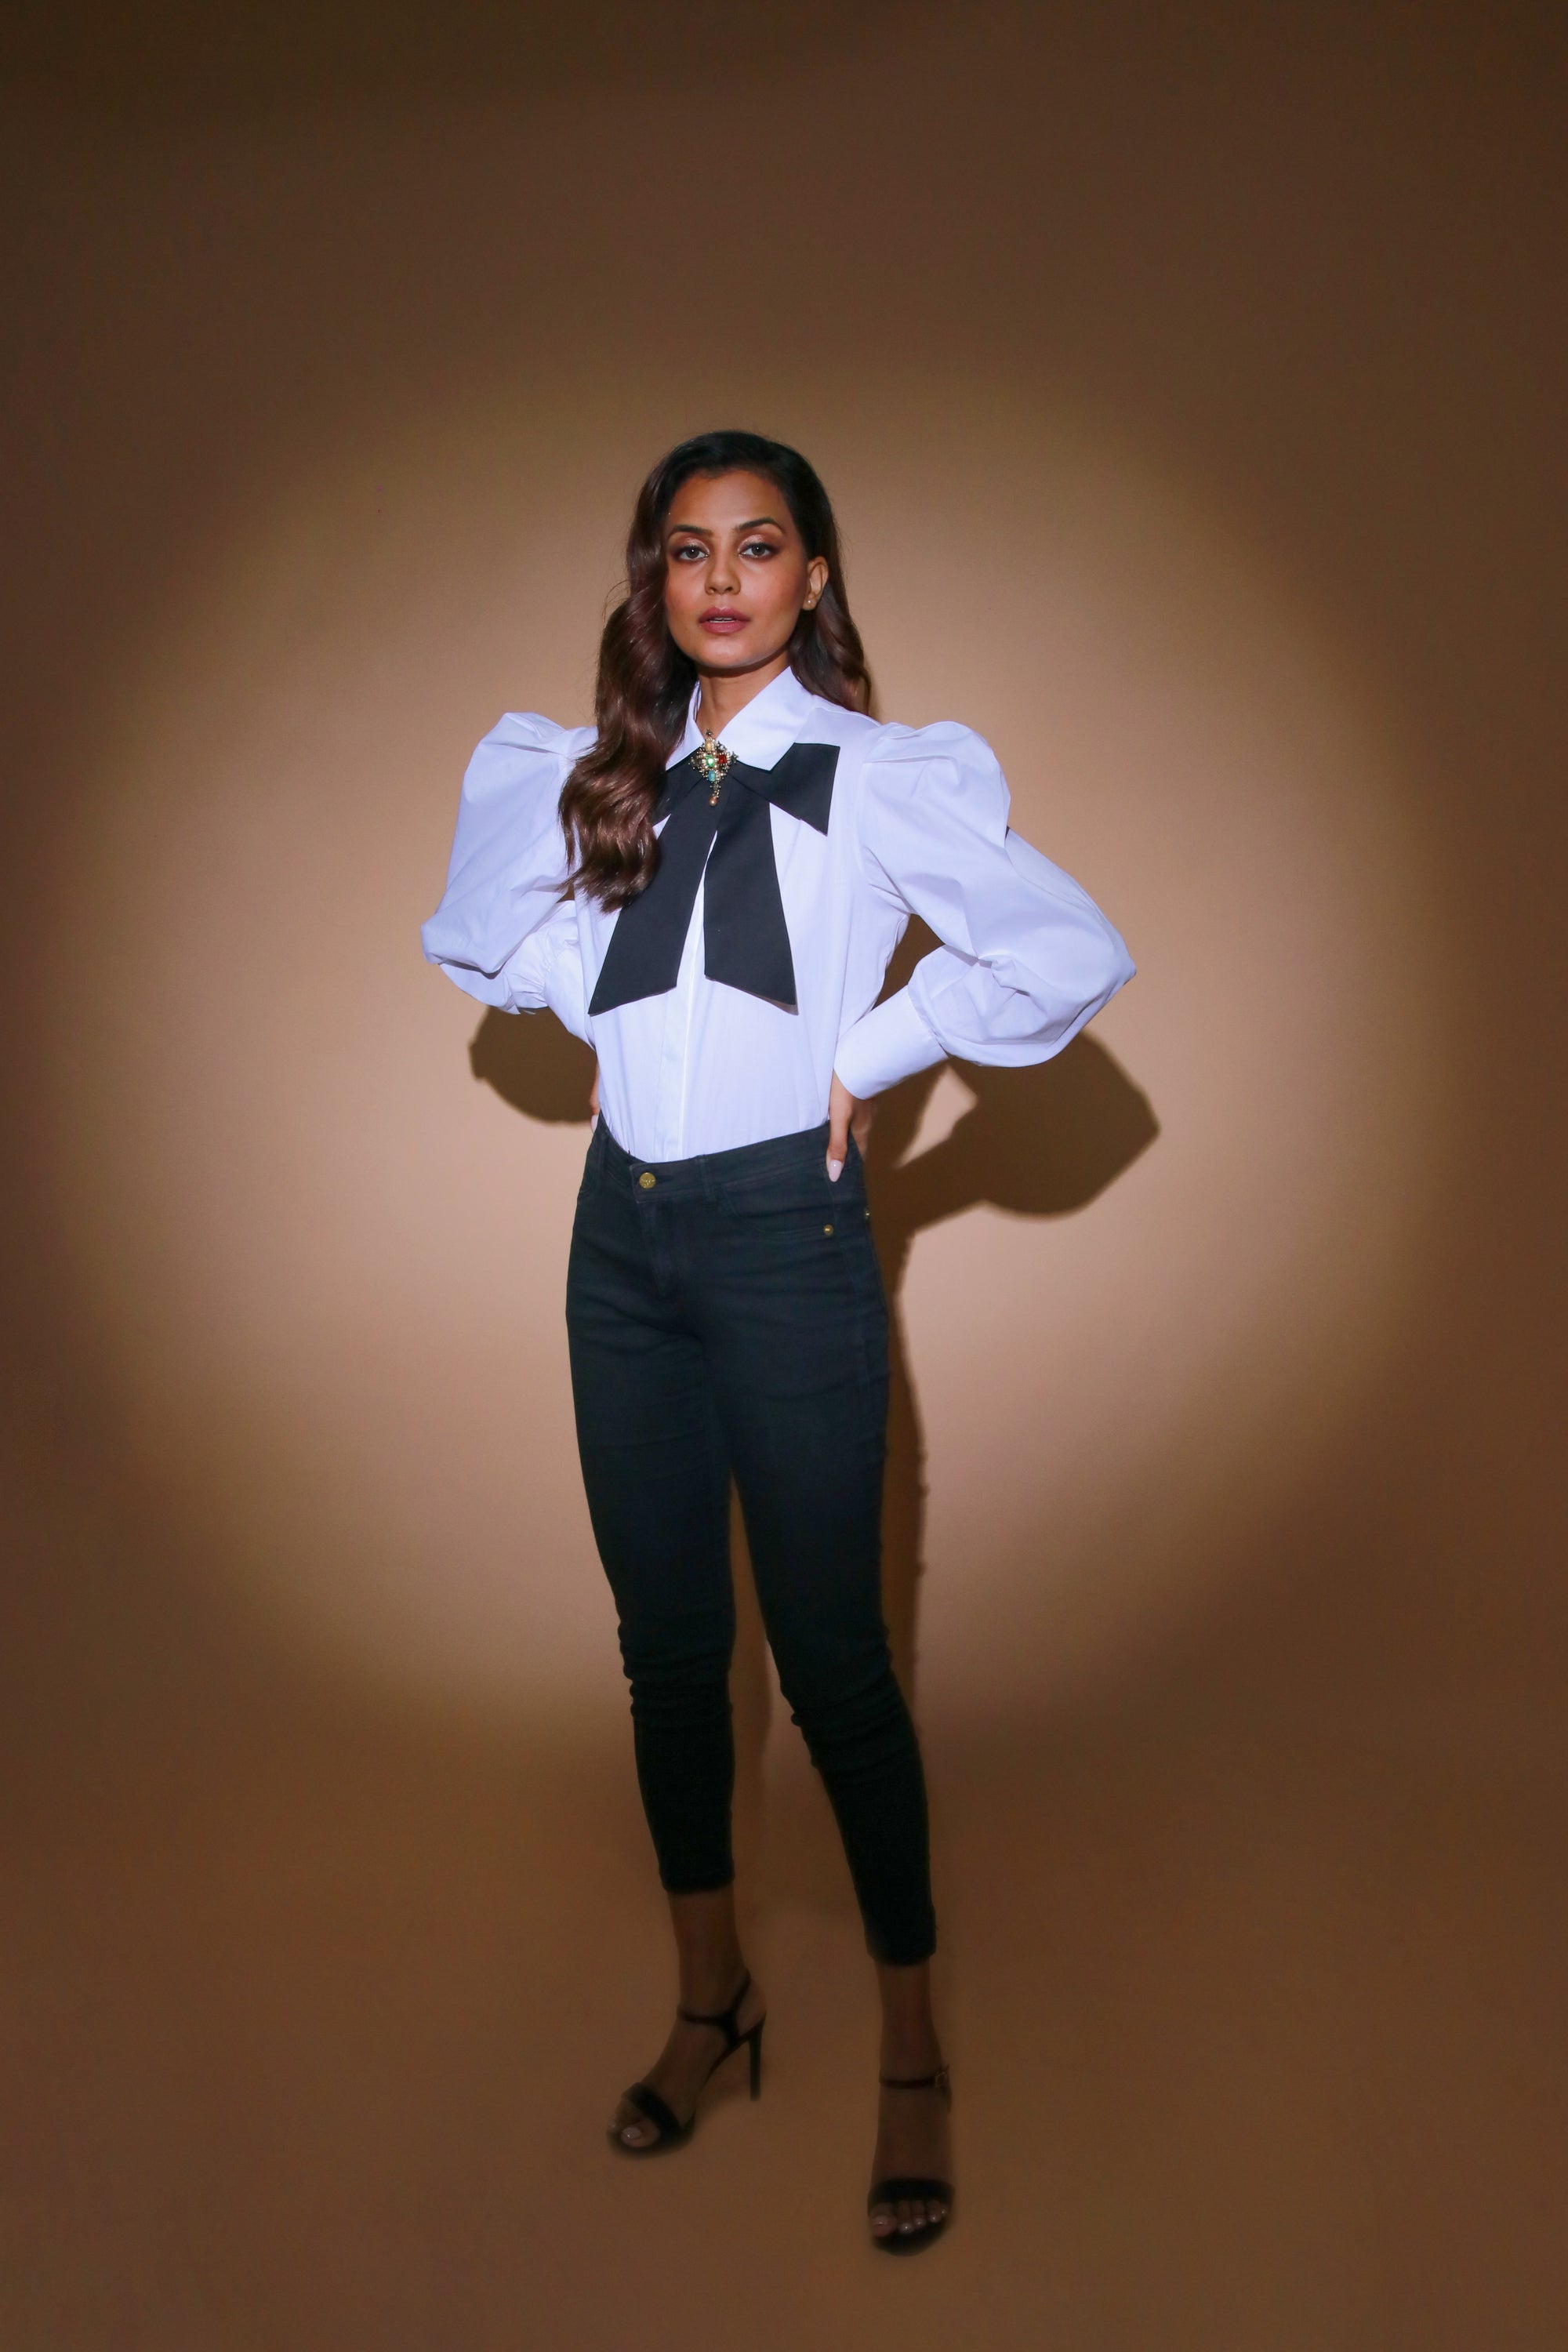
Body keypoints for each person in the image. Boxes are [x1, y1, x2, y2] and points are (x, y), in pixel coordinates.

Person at [421, 429, 1134, 2252]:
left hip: (780, 1241)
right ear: (656, 581)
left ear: (813, 576)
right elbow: (522, 966)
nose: (720, 575)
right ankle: (710, 1998)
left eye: (758, 544)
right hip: (621, 1250)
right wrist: (591, 850)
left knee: (830, 1668)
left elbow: (1055, 951)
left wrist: (873, 1057)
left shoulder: (885, 777)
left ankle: (909, 2046)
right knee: (668, 1656)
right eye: (685, 548)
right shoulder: (602, 774)